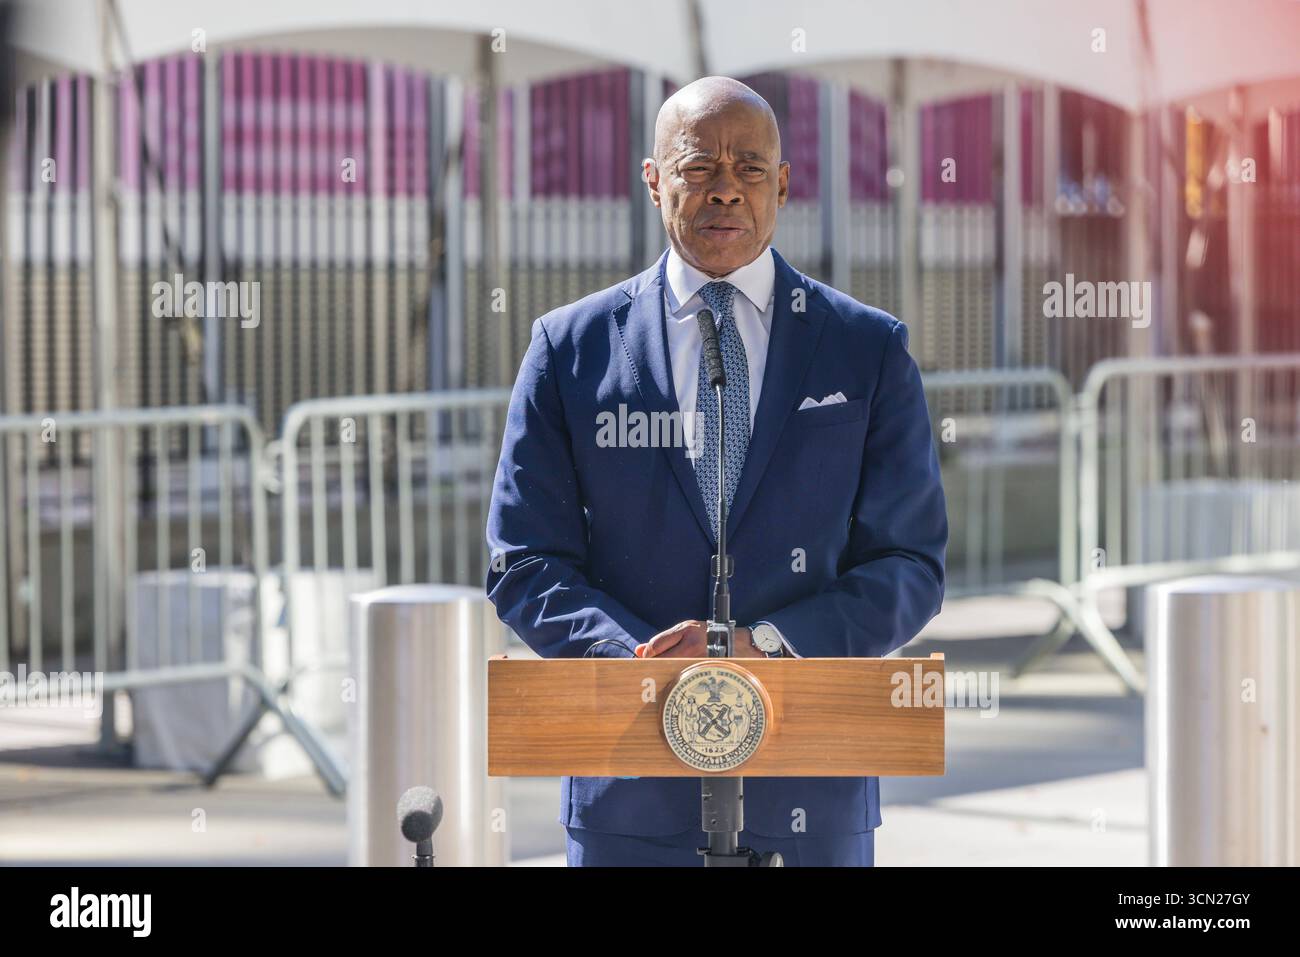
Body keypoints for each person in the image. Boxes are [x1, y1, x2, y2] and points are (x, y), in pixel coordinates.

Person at [485, 76, 947, 867]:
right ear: (654, 178)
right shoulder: (569, 349)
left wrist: (767, 646)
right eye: (698, 167)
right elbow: (523, 561)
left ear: (786, 183)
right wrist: (651, 662)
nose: (726, 189)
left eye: (750, 169)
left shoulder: (866, 349)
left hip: (812, 791)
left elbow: (909, 564)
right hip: (629, 796)